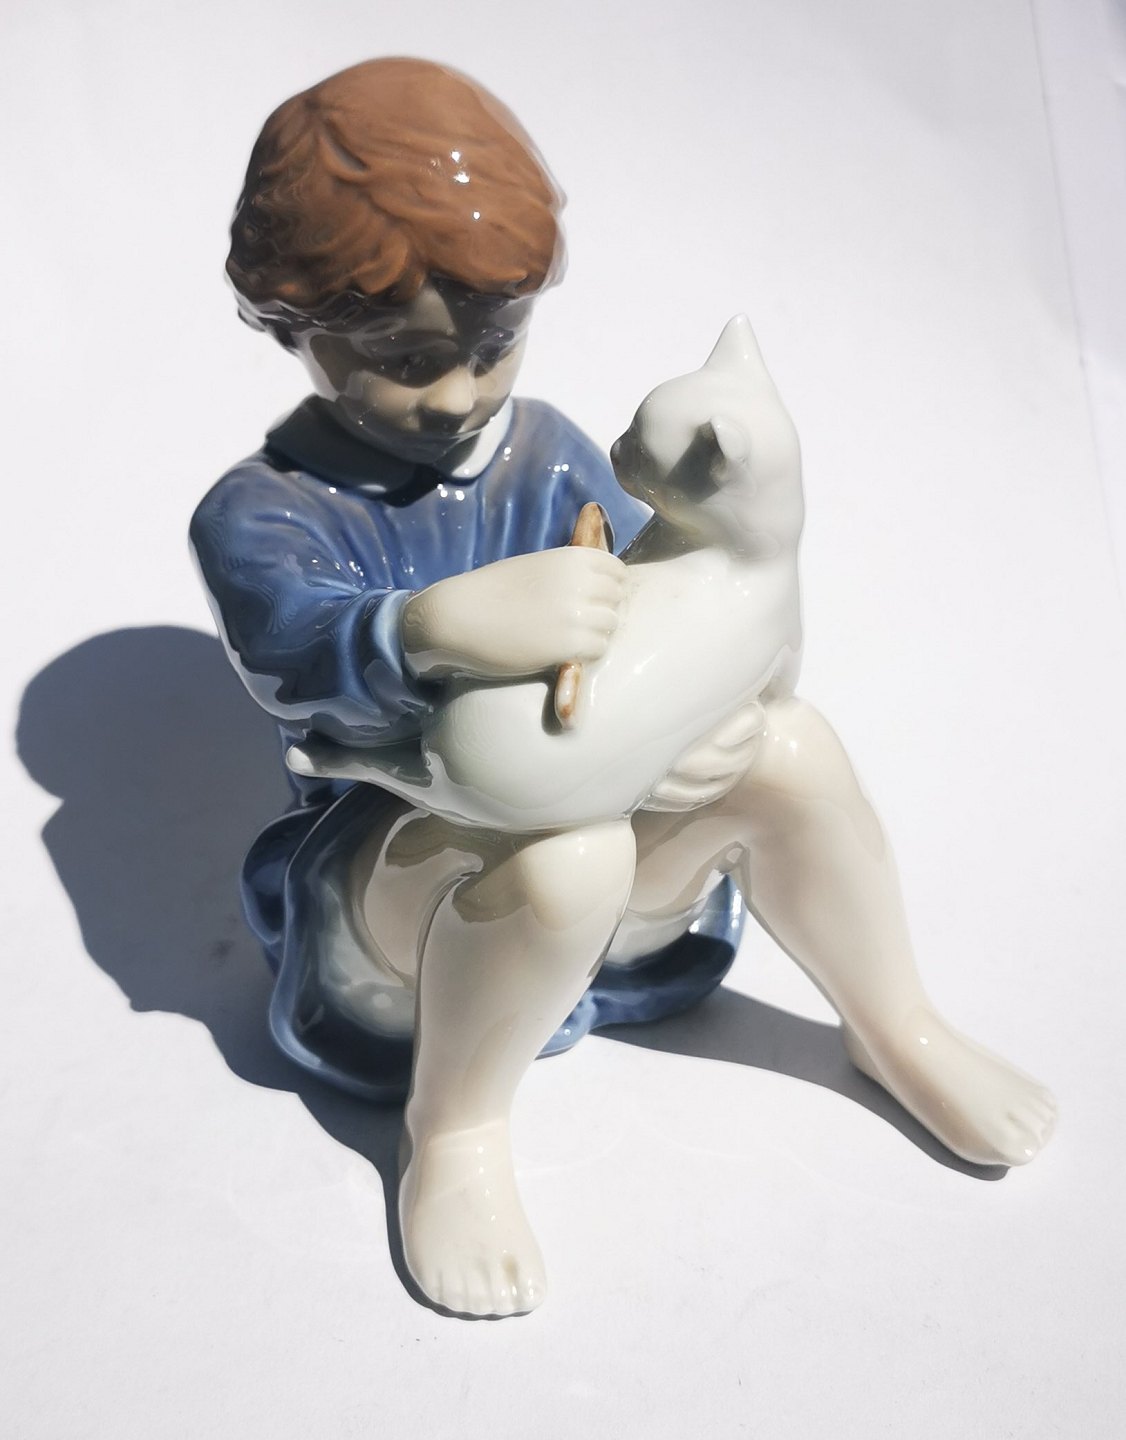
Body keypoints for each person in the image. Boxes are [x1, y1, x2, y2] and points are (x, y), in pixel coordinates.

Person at [193, 57, 1055, 1319]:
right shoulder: (263, 515)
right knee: (568, 860)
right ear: (289, 322)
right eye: (404, 359)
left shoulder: (546, 456)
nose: (458, 396)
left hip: (608, 817)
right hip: (406, 883)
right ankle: (457, 1131)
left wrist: (706, 723)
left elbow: (669, 614)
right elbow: (295, 659)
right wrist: (429, 626)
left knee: (793, 749)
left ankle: (894, 1024)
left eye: (492, 346)